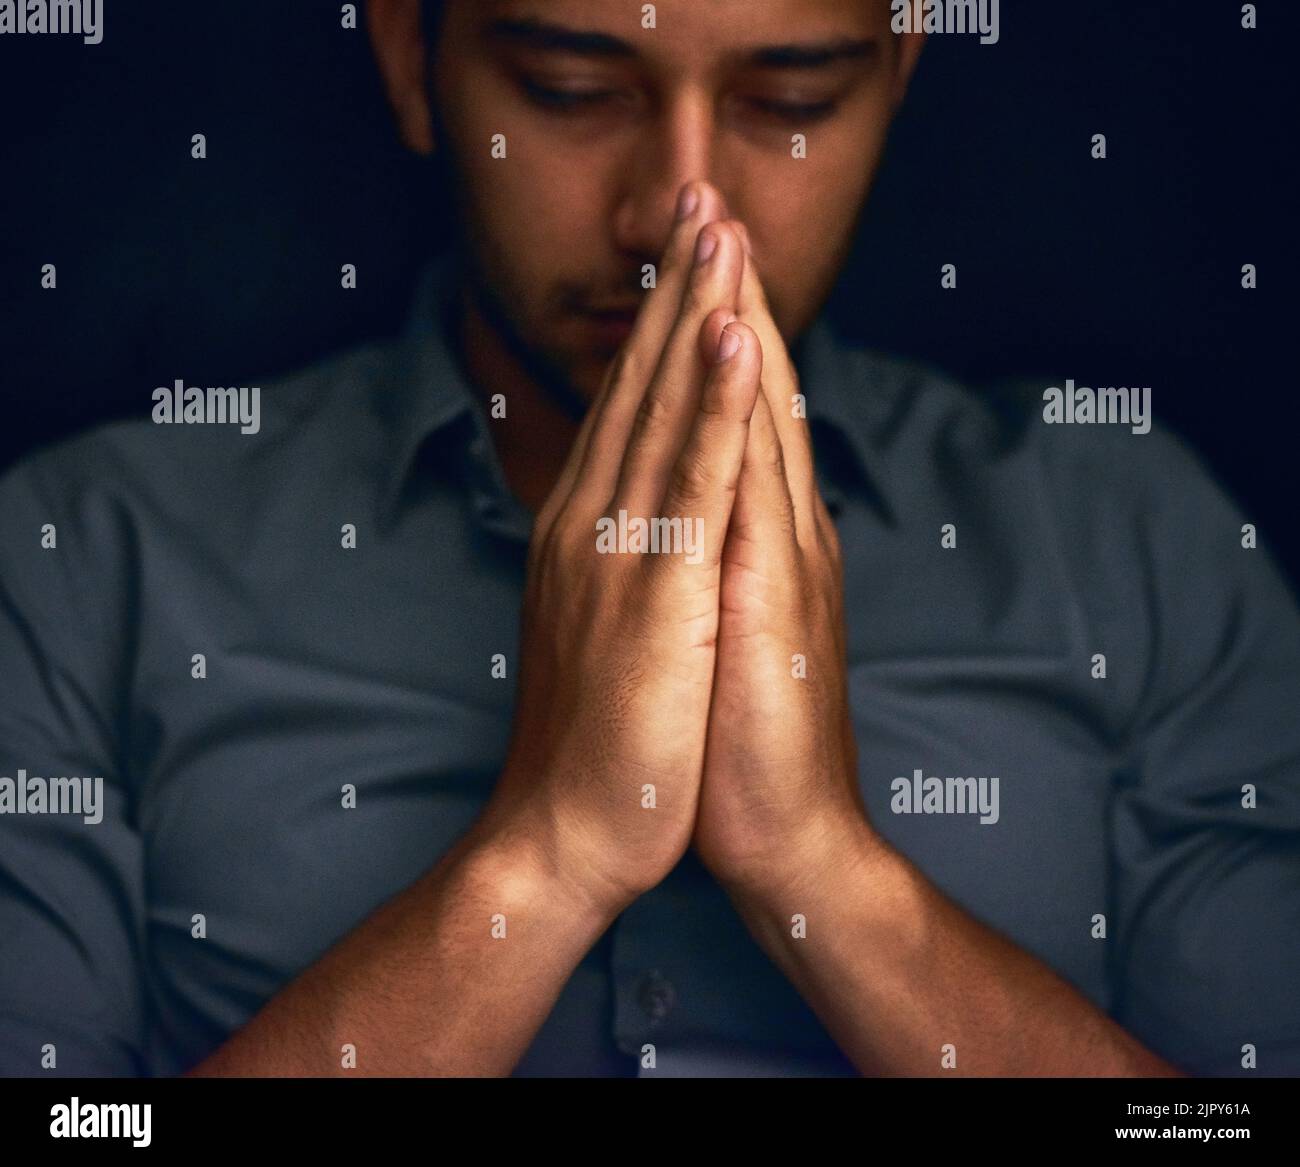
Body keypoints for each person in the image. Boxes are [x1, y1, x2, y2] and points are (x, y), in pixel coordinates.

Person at [1, 0, 1296, 1078]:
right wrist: (549, 853)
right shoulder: (84, 553)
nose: (678, 215)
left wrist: (824, 870)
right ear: (411, 58)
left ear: (899, 70)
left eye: (790, 103)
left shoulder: (1134, 535)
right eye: (570, 92)